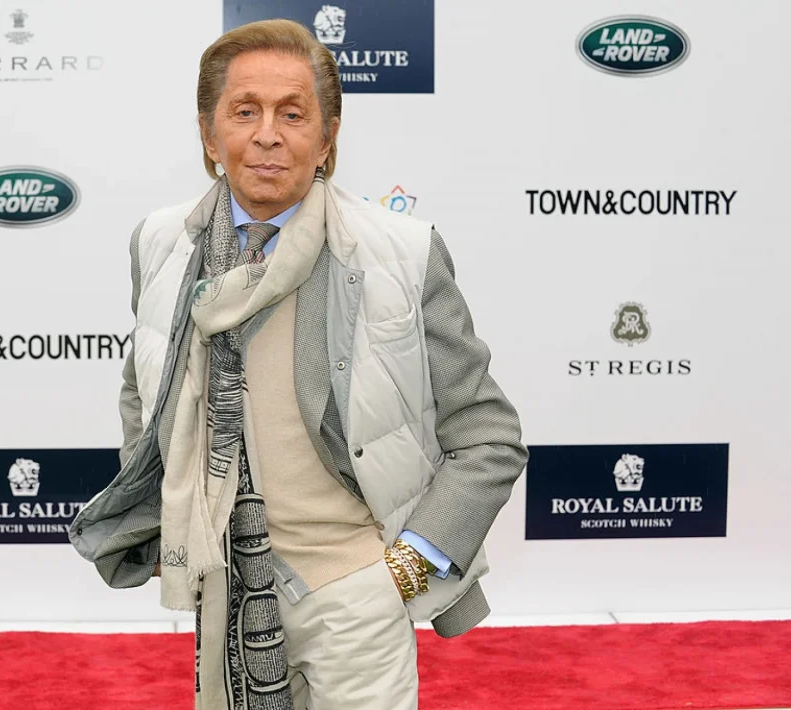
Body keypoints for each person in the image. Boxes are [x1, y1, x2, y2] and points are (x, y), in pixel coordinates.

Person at [69, 18, 528, 710]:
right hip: (223, 593)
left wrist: (406, 568)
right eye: (244, 111)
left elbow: (488, 435)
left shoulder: (401, 253)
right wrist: (171, 520)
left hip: (358, 594)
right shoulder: (160, 243)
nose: (267, 135)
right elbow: (145, 390)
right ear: (208, 134)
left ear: (328, 136)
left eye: (292, 113)